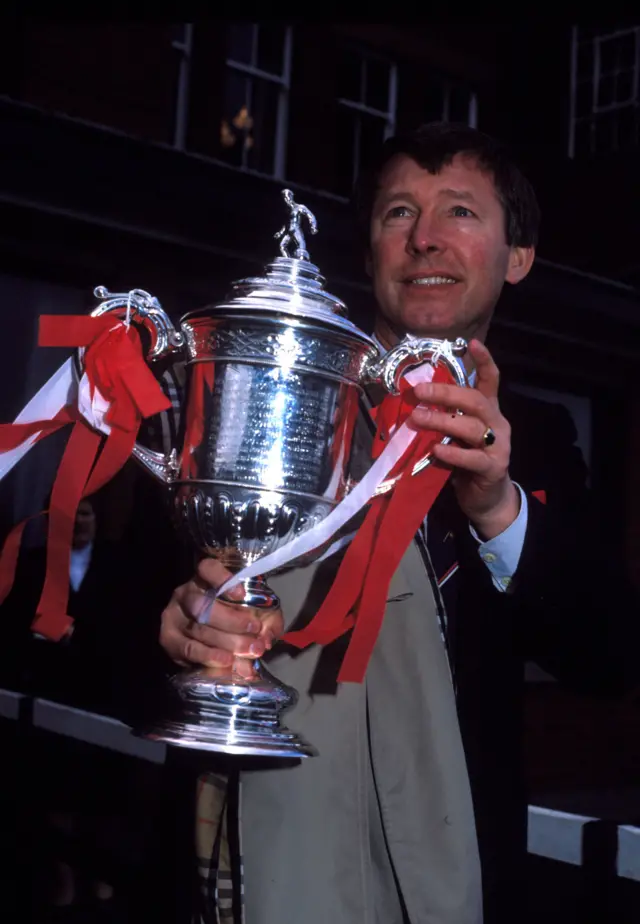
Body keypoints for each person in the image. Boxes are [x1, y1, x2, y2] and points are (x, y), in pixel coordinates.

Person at [157, 123, 640, 923]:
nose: (424, 238)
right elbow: (122, 609)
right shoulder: (272, 384)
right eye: (397, 214)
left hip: (443, 875)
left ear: (517, 257)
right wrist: (177, 625)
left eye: (459, 211)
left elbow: (609, 656)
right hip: (244, 862)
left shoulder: (541, 439)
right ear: (372, 250)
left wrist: (496, 507)